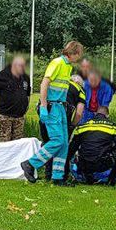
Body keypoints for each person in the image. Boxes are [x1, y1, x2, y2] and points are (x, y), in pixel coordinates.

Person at [22, 41, 84, 185]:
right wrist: (44, 106)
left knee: (64, 144)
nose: (79, 58)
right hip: (52, 106)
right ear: (73, 53)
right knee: (57, 140)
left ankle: (57, 177)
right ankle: (31, 164)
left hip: (61, 106)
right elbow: (44, 83)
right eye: (79, 54)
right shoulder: (57, 63)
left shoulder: (67, 66)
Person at [70, 108, 116, 185]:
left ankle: (84, 176)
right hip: (102, 165)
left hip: (84, 165)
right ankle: (111, 179)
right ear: (107, 116)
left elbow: (72, 149)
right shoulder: (113, 127)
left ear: (95, 114)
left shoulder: (82, 127)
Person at [0, 56, 31, 143]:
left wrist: (26, 105)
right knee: (5, 144)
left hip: (19, 117)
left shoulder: (25, 77)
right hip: (6, 116)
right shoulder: (3, 75)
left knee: (18, 143)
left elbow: (28, 92)